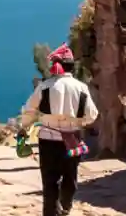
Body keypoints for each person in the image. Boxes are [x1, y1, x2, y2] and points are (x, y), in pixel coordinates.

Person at [19, 43, 99, 216]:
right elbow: (92, 115)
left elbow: (30, 110)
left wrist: (24, 127)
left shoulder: (45, 87)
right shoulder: (81, 88)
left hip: (48, 140)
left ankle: (51, 212)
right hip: (72, 140)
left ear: (57, 66)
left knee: (50, 181)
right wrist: (79, 124)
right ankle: (66, 206)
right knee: (70, 177)